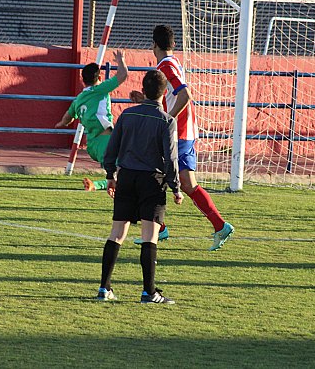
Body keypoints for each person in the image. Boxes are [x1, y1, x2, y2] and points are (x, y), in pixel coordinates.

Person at [130, 25, 234, 251]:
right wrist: (145, 100)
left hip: (176, 133)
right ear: (173, 44)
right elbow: (171, 96)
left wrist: (168, 118)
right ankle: (219, 226)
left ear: (154, 45)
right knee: (186, 183)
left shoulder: (165, 66)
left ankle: (160, 228)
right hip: (184, 132)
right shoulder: (173, 62)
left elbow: (185, 94)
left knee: (147, 177)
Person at [97, 69, 183, 304]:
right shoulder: (167, 121)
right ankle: (149, 292)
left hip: (126, 177)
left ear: (143, 91)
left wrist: (110, 174)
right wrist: (175, 187)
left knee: (116, 233)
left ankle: (104, 289)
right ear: (164, 94)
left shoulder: (126, 116)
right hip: (152, 181)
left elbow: (111, 149)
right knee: (150, 236)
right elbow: (171, 158)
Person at [54, 50, 128, 191]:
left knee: (122, 174)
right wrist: (120, 60)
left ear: (83, 80)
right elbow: (122, 75)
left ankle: (97, 185)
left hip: (92, 144)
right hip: (105, 140)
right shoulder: (99, 89)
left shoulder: (79, 98)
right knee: (124, 173)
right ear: (99, 77)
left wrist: (61, 124)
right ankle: (97, 185)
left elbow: (68, 117)